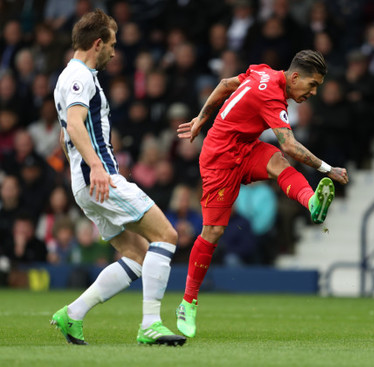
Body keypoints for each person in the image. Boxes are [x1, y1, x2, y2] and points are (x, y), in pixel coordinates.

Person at [175, 49, 349, 338]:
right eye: (312, 85)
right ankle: (187, 303)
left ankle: (313, 202)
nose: (314, 92)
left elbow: (223, 85)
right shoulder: (271, 94)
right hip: (219, 158)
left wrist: (200, 119)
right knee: (213, 232)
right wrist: (327, 169)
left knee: (279, 162)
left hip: (244, 147)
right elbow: (291, 144)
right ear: (295, 77)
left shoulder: (263, 71)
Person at [50, 9, 185, 346]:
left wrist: (80, 170)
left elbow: (64, 135)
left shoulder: (67, 77)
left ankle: (73, 314)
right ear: (97, 43)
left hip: (85, 183)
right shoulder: (80, 77)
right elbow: (77, 124)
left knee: (137, 255)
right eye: (111, 44)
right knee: (166, 235)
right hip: (101, 178)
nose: (114, 51)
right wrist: (95, 166)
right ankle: (151, 324)